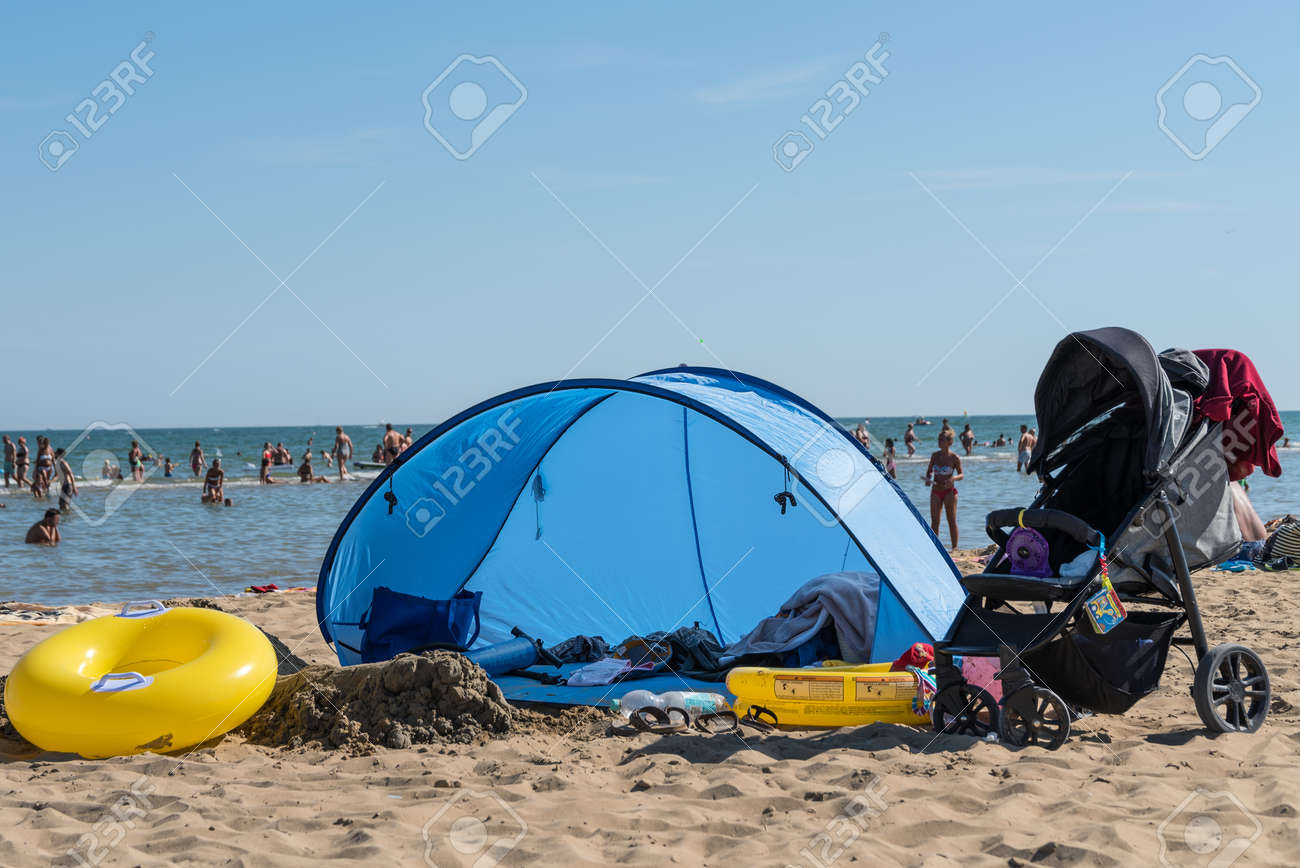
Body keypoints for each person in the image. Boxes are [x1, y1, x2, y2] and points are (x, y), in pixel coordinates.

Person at [924, 430, 963, 550]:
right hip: (935, 490)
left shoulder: (954, 457)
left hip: (949, 492)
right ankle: (935, 547)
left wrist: (953, 478)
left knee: (951, 520)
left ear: (949, 442)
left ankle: (955, 548)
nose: (939, 442)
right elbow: (929, 471)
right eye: (938, 439)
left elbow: (961, 475)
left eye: (942, 439)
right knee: (935, 521)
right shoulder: (935, 456)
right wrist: (928, 478)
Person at [54, 448, 77, 513]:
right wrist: (50, 482)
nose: (54, 454)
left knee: (65, 504)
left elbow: (71, 474)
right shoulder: (57, 463)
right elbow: (56, 476)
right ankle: (64, 519)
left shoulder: (63, 463)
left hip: (68, 485)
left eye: (55, 453)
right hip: (64, 486)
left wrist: (74, 487)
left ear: (58, 454)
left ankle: (68, 518)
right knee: (61, 504)